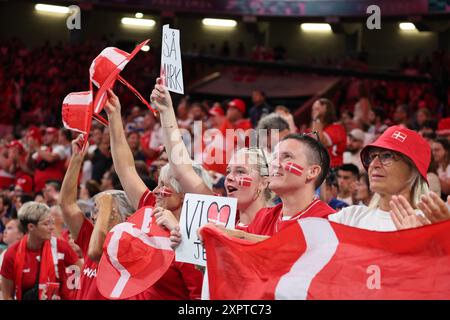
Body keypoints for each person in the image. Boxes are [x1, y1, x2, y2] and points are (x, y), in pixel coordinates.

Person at [105, 89, 210, 300]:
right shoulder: (153, 207)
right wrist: (114, 117)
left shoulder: (199, 240)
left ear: (185, 194)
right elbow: (125, 169)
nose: (156, 190)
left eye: (165, 185)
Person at [150, 78, 273, 232]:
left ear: (263, 182)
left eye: (240, 171)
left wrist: (178, 229)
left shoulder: (276, 222)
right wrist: (166, 111)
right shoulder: (220, 211)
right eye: (228, 171)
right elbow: (182, 170)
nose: (229, 177)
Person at [59, 134, 136, 300]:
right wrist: (77, 158)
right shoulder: (90, 237)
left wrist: (106, 206)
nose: (95, 217)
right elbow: (67, 204)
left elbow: (96, 251)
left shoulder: (132, 248)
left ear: (127, 217)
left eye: (106, 212)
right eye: (96, 211)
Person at [328, 126, 430, 231]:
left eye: (387, 156)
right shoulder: (349, 217)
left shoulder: (428, 223)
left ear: (413, 170)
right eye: (372, 157)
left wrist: (417, 238)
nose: (373, 164)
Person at [0, 202, 81, 300]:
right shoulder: (12, 254)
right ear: (31, 227)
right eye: (46, 224)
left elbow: (81, 277)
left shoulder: (62, 247)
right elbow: (7, 295)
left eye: (52, 222)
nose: (51, 227)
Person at [27, 127, 67, 193]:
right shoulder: (42, 149)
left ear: (55, 137)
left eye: (49, 134)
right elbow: (29, 164)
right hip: (39, 188)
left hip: (54, 186)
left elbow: (51, 158)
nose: (45, 136)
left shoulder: (60, 148)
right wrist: (30, 150)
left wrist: (36, 147)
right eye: (44, 134)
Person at [310, 98, 347, 168]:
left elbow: (319, 141)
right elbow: (312, 142)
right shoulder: (313, 128)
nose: (314, 112)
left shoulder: (337, 128)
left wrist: (317, 119)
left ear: (326, 109)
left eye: (317, 109)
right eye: (313, 109)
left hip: (333, 168)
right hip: (319, 166)